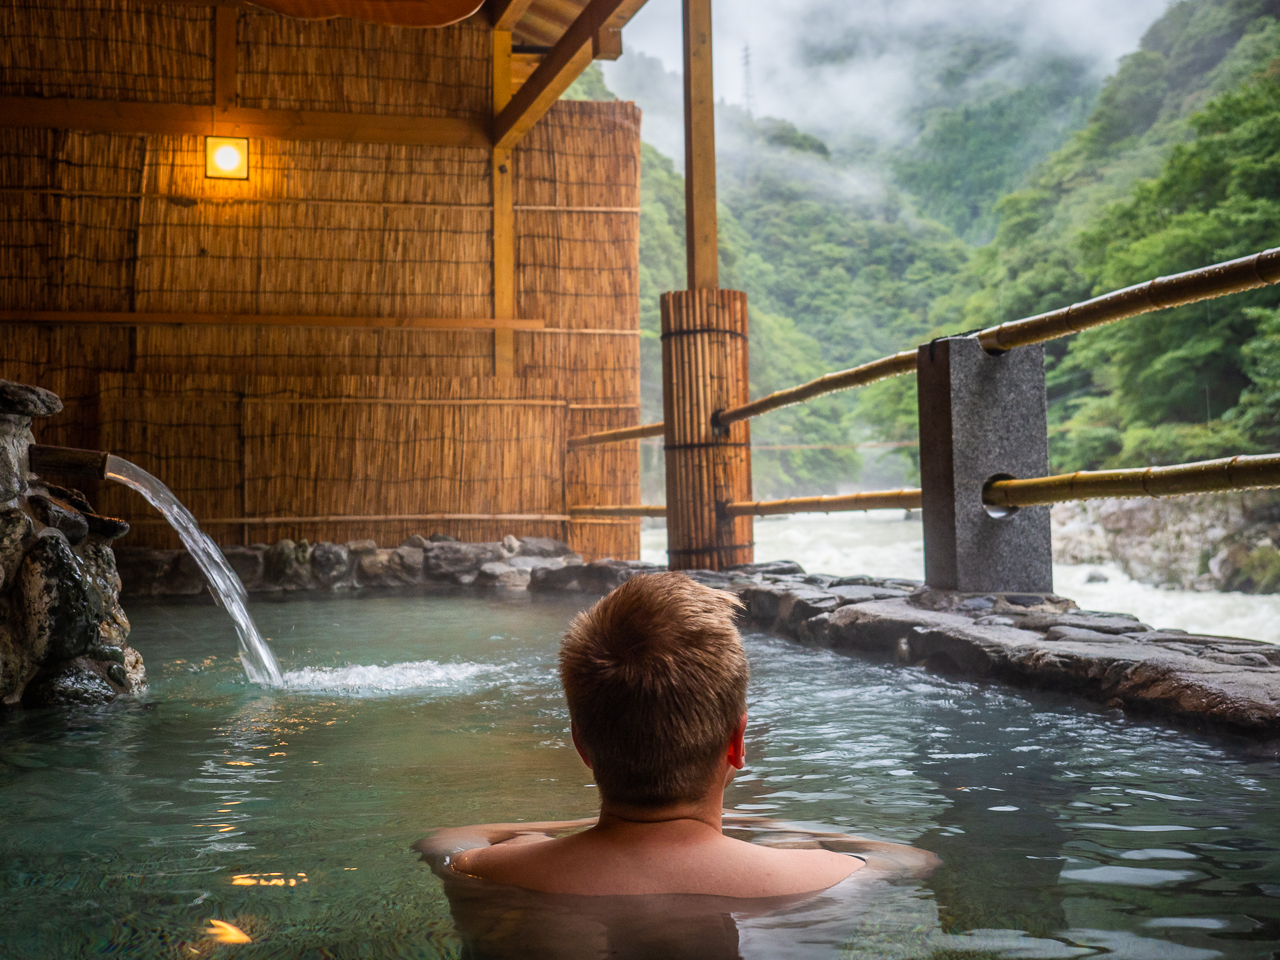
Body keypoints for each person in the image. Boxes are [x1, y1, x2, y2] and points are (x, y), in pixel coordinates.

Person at [415, 572, 937, 907]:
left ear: (582, 747)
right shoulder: (825, 879)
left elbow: (442, 840)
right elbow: (913, 861)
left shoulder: (485, 872)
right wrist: (773, 829)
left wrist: (555, 833)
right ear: (736, 743)